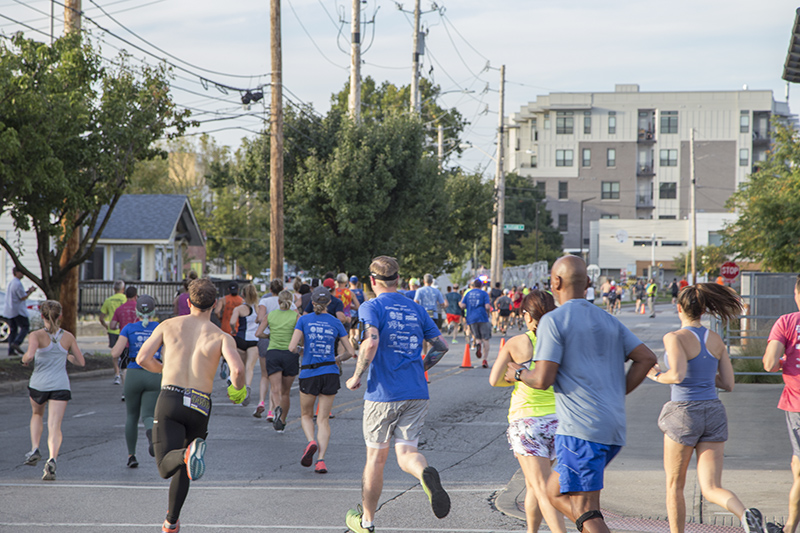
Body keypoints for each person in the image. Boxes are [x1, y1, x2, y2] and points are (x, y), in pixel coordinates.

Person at [506, 256, 657, 533]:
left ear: (555, 283)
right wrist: (616, 391)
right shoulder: (608, 320)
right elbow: (646, 358)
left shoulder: (553, 321)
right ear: (588, 283)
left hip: (580, 430)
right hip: (612, 427)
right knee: (557, 493)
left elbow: (542, 379)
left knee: (582, 507)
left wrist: (517, 373)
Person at [647, 283, 765, 533]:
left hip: (684, 412)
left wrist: (656, 375)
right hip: (713, 411)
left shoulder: (674, 338)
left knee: (674, 485)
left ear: (679, 308)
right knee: (711, 487)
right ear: (704, 310)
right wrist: (703, 375)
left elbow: (677, 375)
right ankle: (745, 515)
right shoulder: (715, 340)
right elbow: (728, 384)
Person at [344, 256, 450, 533]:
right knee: (406, 454)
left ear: (372, 281)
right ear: (398, 280)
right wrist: (420, 367)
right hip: (416, 391)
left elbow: (372, 341)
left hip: (383, 393)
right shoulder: (415, 308)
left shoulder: (371, 306)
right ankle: (424, 475)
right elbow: (441, 345)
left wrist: (356, 376)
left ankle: (367, 521)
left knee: (376, 459)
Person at [136, 278, 246, 533]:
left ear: (188, 302)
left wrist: (164, 370)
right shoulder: (221, 336)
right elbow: (238, 369)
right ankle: (171, 521)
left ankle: (186, 453)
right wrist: (237, 391)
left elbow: (142, 358)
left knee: (166, 464)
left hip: (172, 397)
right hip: (200, 403)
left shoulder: (169, 325)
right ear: (215, 305)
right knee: (185, 468)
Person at [490, 291, 566, 533]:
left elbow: (495, 380)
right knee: (533, 485)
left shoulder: (517, 343)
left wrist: (517, 379)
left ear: (526, 315)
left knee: (542, 488)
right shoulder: (561, 340)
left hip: (528, 424)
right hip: (559, 421)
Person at [290, 286, 355, 473]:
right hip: (330, 373)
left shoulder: (304, 320)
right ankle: (321, 460)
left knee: (306, 415)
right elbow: (350, 352)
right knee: (323, 419)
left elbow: (292, 347)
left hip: (309, 373)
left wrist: (304, 351)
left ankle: (311, 441)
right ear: (329, 303)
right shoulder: (336, 322)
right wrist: (337, 358)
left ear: (312, 302)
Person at [21, 300, 85, 481]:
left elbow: (30, 355)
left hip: (39, 384)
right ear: (60, 315)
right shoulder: (68, 337)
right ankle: (52, 459)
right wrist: (67, 355)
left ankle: (34, 448)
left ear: (42, 315)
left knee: (37, 415)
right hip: (60, 385)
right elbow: (81, 362)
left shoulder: (36, 335)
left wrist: (24, 359)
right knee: (55, 426)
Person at [763, 275, 800, 533]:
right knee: (797, 466)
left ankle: (788, 528)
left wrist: (781, 359)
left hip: (797, 404)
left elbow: (768, 363)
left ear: (797, 294)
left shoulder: (786, 322)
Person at [111, 295, 161, 468]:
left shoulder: (129, 328)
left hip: (133, 373)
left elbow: (115, 353)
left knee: (131, 416)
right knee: (149, 414)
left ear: (137, 311)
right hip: (155, 372)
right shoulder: (160, 328)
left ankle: (131, 455)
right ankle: (151, 434)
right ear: (154, 311)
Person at [255, 290, 299, 430]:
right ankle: (282, 419)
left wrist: (269, 336)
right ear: (291, 301)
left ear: (278, 301)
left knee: (275, 389)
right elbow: (301, 336)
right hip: (290, 354)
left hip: (273, 353)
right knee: (286, 391)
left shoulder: (270, 315)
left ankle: (276, 408)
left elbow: (258, 333)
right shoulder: (297, 316)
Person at [230, 283, 261, 408]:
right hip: (254, 339)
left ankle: (240, 390)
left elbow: (232, 322)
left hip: (241, 339)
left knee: (240, 367)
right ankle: (247, 387)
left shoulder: (238, 309)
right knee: (250, 367)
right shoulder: (259, 308)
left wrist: (233, 330)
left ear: (242, 294)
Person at [4, 266, 37, 356]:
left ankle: (11, 351)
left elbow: (20, 295)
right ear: (17, 273)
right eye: (21, 272)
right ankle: (16, 343)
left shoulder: (11, 283)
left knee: (13, 330)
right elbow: (23, 297)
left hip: (10, 310)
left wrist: (27, 291)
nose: (23, 274)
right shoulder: (17, 284)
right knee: (25, 327)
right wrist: (31, 291)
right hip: (18, 310)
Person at [110, 286, 138, 392]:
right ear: (136, 296)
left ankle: (125, 391)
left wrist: (120, 326)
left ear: (125, 296)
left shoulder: (120, 309)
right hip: (137, 342)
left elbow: (112, 325)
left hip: (125, 342)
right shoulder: (138, 308)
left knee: (125, 366)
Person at [460, 279, 492, 368]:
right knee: (486, 339)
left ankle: (478, 344)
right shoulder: (484, 293)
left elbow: (462, 306)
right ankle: (484, 359)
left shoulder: (468, 293)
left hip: (471, 318)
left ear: (473, 285)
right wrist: (488, 313)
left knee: (477, 337)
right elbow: (487, 306)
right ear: (481, 285)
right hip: (482, 317)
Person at [99, 280, 126, 377]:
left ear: (114, 289)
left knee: (115, 354)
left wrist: (107, 327)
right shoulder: (125, 299)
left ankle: (117, 374)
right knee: (125, 352)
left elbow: (101, 318)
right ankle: (124, 371)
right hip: (124, 330)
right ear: (123, 289)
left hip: (113, 330)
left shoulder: (108, 300)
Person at [348, 276, 365, 348]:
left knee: (351, 334)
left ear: (349, 282)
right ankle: (356, 339)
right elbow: (366, 301)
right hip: (359, 314)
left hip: (350, 314)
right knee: (358, 332)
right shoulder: (361, 292)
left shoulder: (347, 292)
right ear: (357, 283)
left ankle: (353, 353)